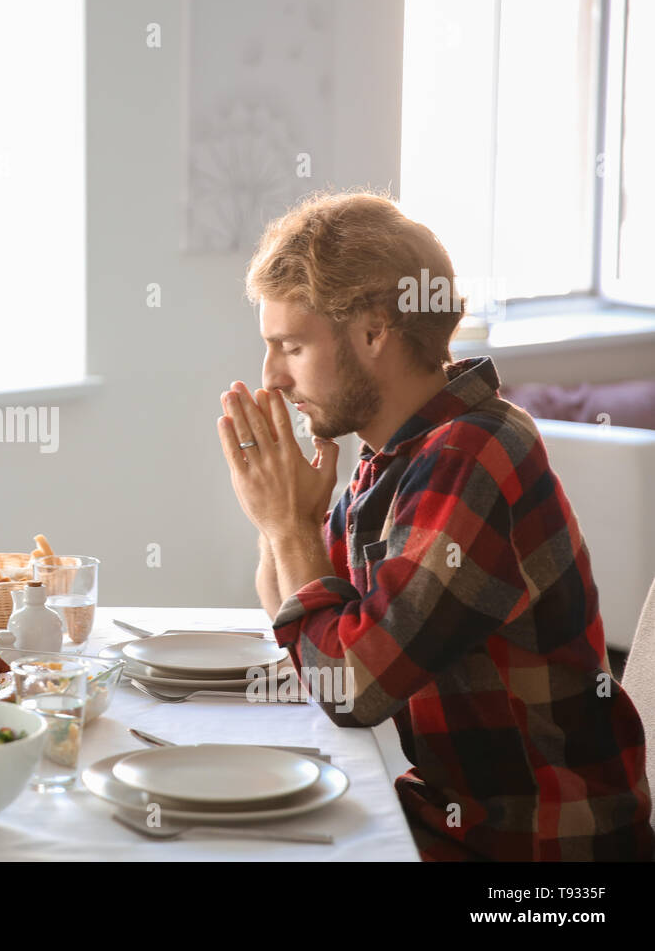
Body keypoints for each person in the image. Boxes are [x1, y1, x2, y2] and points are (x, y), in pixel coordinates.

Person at [219, 190, 654, 860]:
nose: (271, 379)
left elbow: (349, 687)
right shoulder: (398, 454)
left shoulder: (471, 457)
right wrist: (294, 519)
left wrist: (287, 528)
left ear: (372, 333)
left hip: (538, 856)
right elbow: (301, 631)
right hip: (453, 820)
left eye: (291, 346)